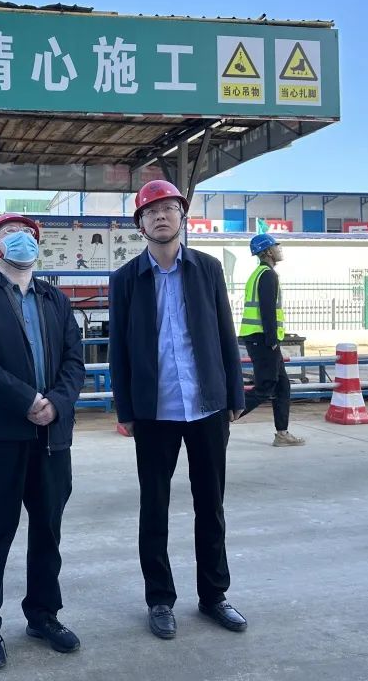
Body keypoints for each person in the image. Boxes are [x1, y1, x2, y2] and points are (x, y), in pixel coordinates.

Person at [108, 180, 247, 641]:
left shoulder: (207, 269)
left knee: (211, 504)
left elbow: (225, 333)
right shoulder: (125, 279)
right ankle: (160, 600)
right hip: (155, 411)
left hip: (207, 406)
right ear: (140, 224)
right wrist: (126, 409)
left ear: (182, 216)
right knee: (155, 507)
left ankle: (214, 596)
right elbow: (118, 350)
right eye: (151, 211)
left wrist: (234, 396)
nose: (161, 216)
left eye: (169, 208)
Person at [0, 212, 85, 670]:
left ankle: (43, 614)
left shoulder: (55, 298)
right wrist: (26, 400)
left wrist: (56, 403)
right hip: (1, 434)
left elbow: (74, 360)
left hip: (52, 436)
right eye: (11, 235)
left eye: (29, 235)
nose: (23, 241)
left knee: (48, 528)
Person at [238, 234, 305, 446]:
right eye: (276, 246)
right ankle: (222, 418)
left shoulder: (260, 273)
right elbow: (267, 310)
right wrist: (272, 340)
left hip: (260, 338)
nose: (279, 249)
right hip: (263, 339)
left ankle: (282, 433)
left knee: (282, 386)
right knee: (265, 386)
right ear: (267, 252)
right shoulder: (267, 275)